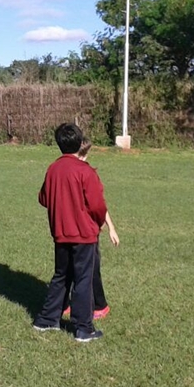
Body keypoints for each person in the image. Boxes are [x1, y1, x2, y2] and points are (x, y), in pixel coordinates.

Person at [34, 123, 108, 342]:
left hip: (60, 232)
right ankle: (83, 328)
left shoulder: (53, 169)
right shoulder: (85, 171)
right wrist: (99, 222)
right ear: (80, 143)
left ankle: (47, 319)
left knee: (61, 276)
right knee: (83, 279)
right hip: (83, 234)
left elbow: (43, 198)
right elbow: (97, 205)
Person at [62, 138, 119, 321]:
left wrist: (110, 227)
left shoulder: (87, 174)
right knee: (68, 268)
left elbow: (99, 205)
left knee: (91, 269)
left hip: (87, 231)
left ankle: (100, 305)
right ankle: (65, 303)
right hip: (71, 228)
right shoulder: (71, 172)